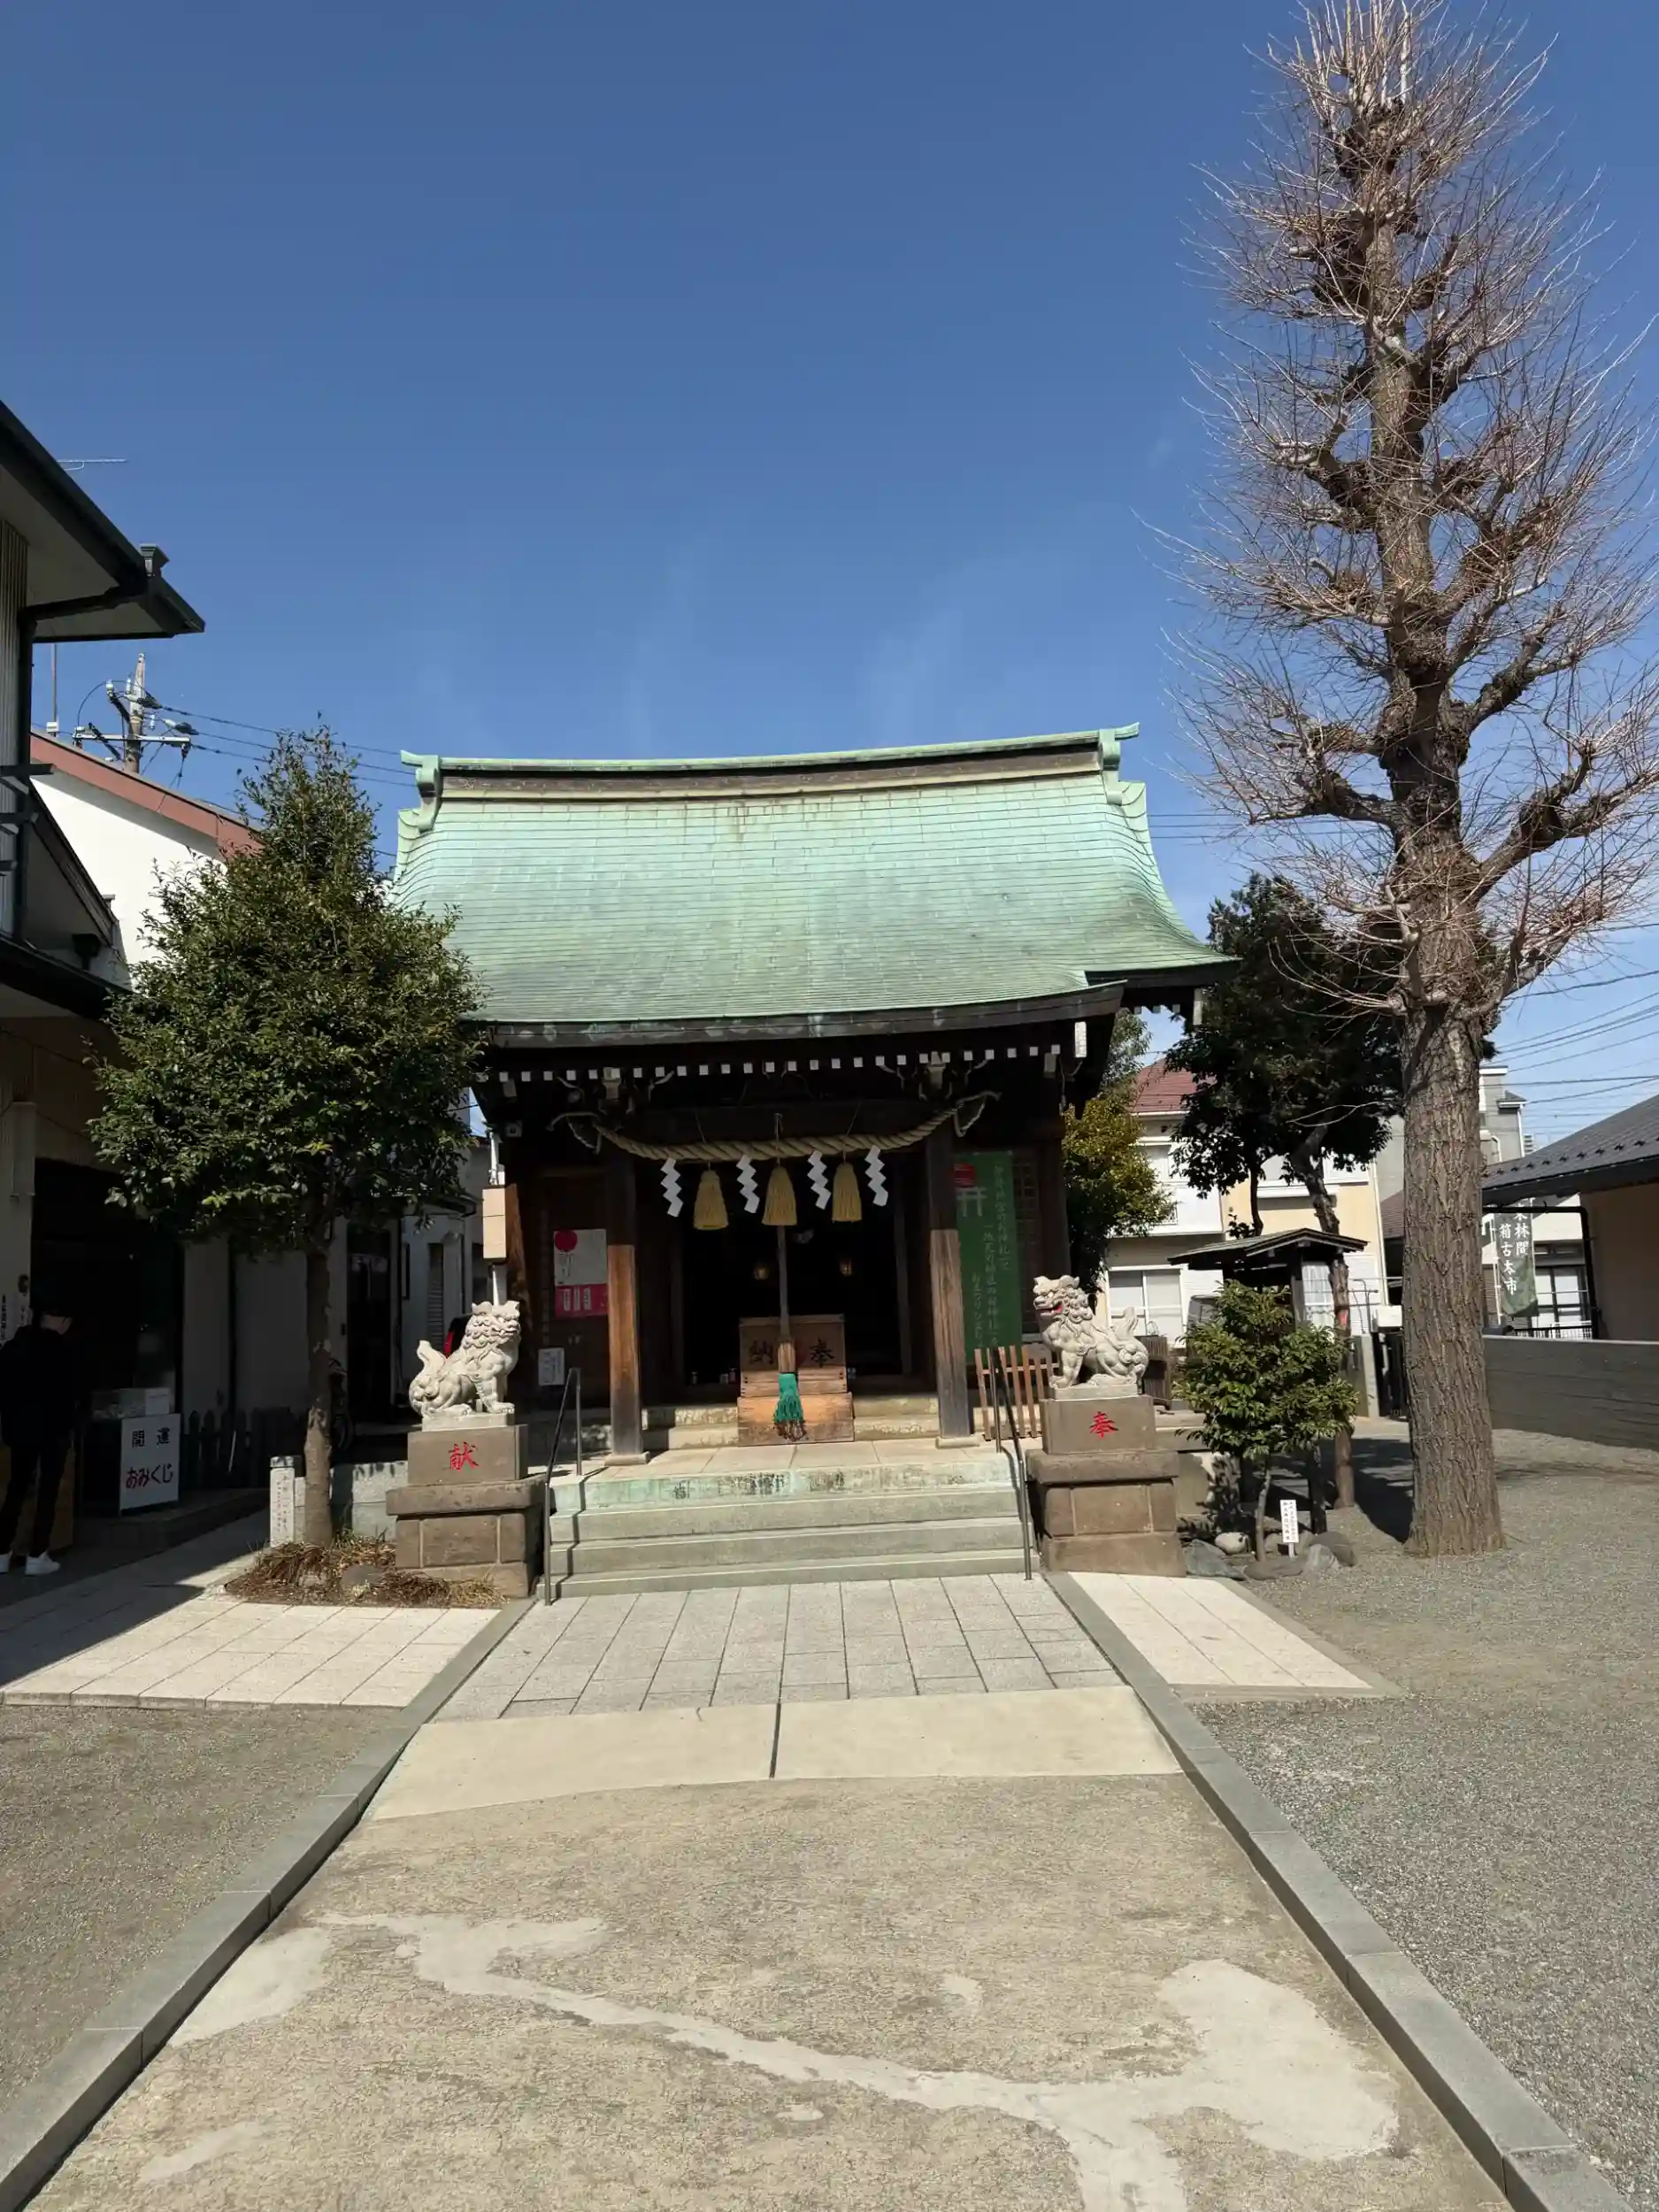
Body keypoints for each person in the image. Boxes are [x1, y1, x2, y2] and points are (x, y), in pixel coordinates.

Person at [0, 1310, 85, 1576]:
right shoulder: (63, 1351)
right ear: (61, 1321)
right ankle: (37, 1555)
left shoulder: (12, 1348)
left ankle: (1, 1552)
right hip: (53, 1431)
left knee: (16, 1488)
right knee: (48, 1491)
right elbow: (75, 1391)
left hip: (19, 1430)